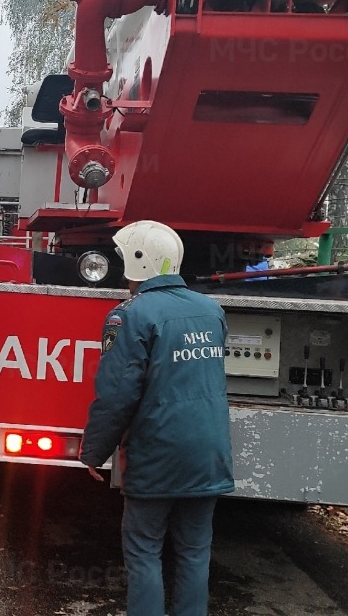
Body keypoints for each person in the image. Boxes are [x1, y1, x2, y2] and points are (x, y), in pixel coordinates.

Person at [78, 221, 234, 616]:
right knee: (195, 553)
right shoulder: (211, 311)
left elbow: (117, 394)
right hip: (209, 456)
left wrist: (94, 451)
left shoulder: (128, 316)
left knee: (145, 551)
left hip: (157, 455)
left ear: (138, 261)